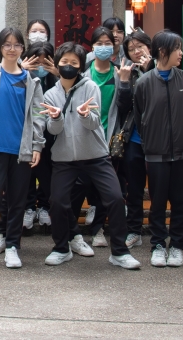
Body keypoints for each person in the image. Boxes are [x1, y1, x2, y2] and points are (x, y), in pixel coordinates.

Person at [40, 42, 140, 270]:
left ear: (80, 66)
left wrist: (85, 115)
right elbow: (53, 130)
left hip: (96, 155)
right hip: (64, 158)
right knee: (57, 202)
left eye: (74, 62)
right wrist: (55, 118)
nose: (68, 66)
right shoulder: (50, 94)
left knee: (115, 198)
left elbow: (94, 123)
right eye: (64, 61)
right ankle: (61, 248)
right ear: (57, 64)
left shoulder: (90, 87)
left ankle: (120, 252)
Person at [0, 27, 46, 270]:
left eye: (16, 45)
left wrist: (37, 145)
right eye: (7, 44)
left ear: (23, 48)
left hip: (21, 150)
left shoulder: (31, 80)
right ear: (1, 47)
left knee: (17, 201)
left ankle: (12, 246)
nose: (12, 49)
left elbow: (38, 116)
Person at [134, 30, 183, 268]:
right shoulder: (144, 82)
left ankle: (177, 245)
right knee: (157, 202)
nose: (180, 53)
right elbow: (140, 117)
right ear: (162, 51)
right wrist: (150, 142)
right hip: (156, 153)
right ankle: (158, 244)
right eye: (177, 48)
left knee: (180, 202)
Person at [71, 27, 132, 249]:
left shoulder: (118, 72)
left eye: (108, 43)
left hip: (109, 136)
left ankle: (98, 230)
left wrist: (123, 83)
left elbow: (124, 107)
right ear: (92, 46)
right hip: (84, 136)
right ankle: (72, 233)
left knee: (105, 189)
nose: (103, 47)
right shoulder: (83, 72)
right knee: (79, 186)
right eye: (99, 43)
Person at [118, 29, 154, 249]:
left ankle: (181, 229)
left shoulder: (163, 69)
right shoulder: (128, 73)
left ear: (149, 47)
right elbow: (123, 107)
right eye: (131, 49)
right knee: (134, 188)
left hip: (159, 139)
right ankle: (134, 230)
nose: (136, 51)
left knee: (164, 187)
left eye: (140, 46)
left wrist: (150, 72)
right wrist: (123, 82)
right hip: (134, 138)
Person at [20, 41, 59, 234]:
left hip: (51, 134)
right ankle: (28, 207)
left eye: (45, 63)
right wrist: (22, 71)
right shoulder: (22, 77)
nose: (41, 67)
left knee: (46, 171)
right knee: (27, 170)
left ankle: (44, 206)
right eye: (37, 63)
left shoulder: (56, 80)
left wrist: (58, 74)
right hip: (26, 133)